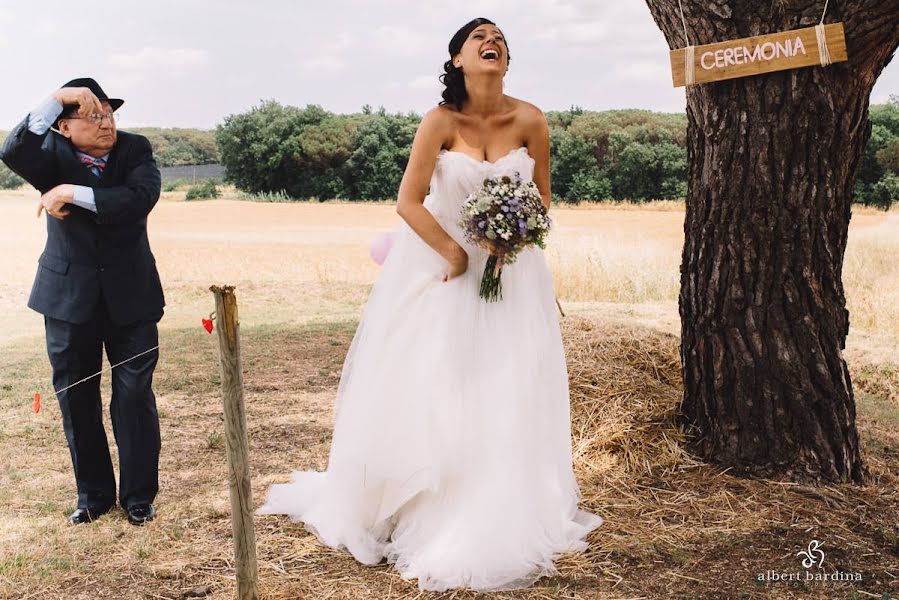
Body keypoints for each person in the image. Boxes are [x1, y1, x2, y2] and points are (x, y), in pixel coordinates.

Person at [258, 18, 603, 591]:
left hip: (513, 273)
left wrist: (515, 235)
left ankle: (506, 499)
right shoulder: (440, 122)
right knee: (445, 384)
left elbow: (542, 198)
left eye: (500, 39)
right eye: (479, 37)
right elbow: (408, 202)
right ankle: (429, 505)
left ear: (506, 60)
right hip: (449, 272)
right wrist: (455, 252)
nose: (492, 42)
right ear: (457, 59)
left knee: (510, 383)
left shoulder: (531, 119)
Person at [0, 78, 164, 526]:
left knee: (133, 397)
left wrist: (71, 193)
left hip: (132, 297)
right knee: (77, 399)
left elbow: (139, 198)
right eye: (92, 115)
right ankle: (92, 496)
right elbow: (12, 149)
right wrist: (58, 96)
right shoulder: (49, 157)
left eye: (109, 113)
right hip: (67, 299)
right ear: (64, 128)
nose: (105, 122)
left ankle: (138, 497)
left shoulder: (135, 150)